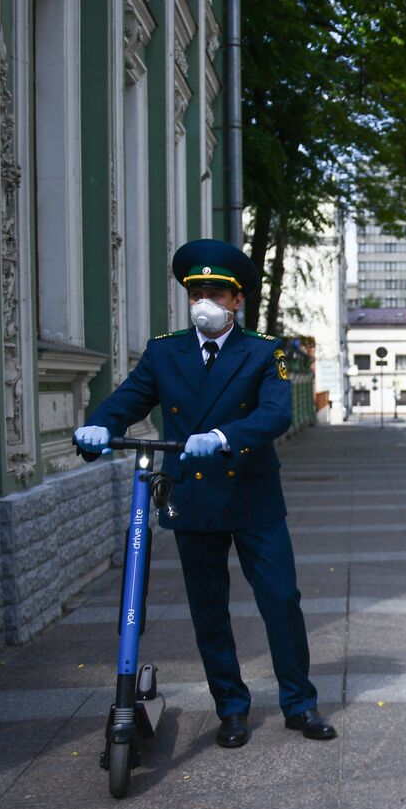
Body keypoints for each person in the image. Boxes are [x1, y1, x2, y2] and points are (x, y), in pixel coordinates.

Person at [74, 239, 335, 749]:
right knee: (208, 609)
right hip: (192, 500)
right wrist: (98, 426)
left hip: (253, 497)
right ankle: (232, 708)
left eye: (215, 292)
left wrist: (221, 437)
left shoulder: (263, 351)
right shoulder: (164, 352)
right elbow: (128, 398)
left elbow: (275, 413)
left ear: (237, 300)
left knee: (281, 600)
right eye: (195, 292)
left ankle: (299, 703)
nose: (203, 302)